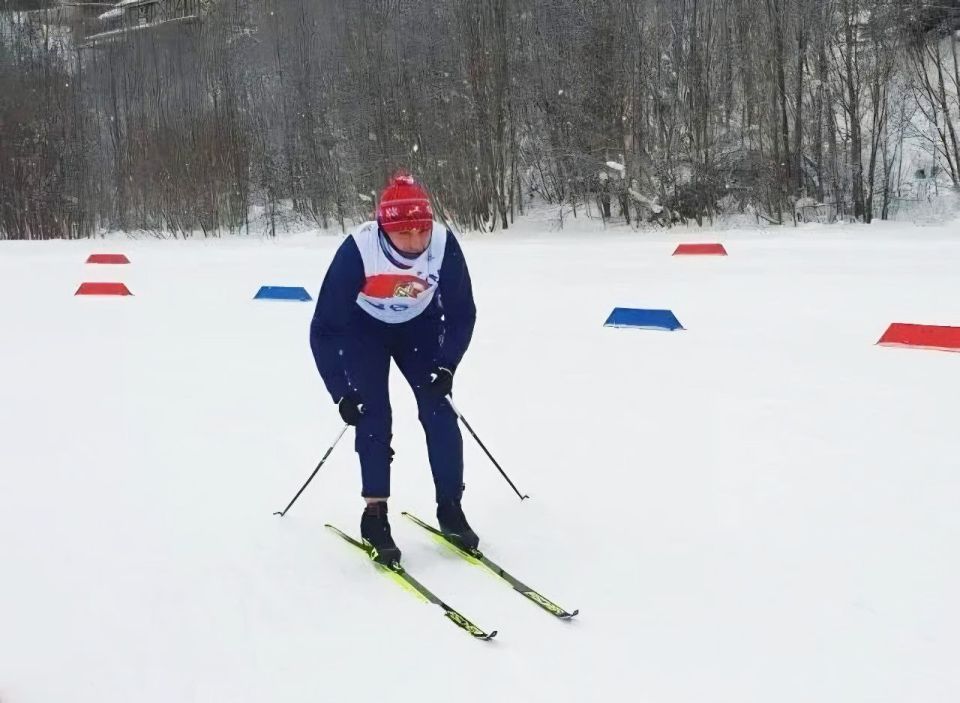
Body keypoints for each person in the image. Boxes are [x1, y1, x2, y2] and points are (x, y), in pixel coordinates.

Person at [309, 172, 478, 565]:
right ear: (384, 228)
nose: (417, 242)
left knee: (439, 410)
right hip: (362, 328)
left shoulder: (442, 244)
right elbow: (324, 328)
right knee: (373, 416)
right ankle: (375, 516)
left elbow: (461, 313)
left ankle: (450, 507)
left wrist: (447, 365)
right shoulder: (358, 250)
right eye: (405, 234)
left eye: (422, 230)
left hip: (418, 327)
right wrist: (341, 392)